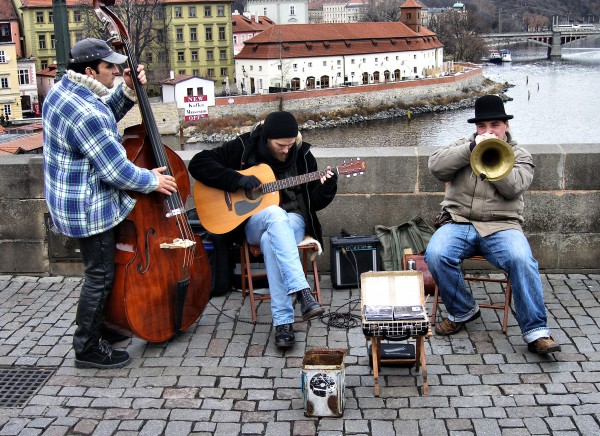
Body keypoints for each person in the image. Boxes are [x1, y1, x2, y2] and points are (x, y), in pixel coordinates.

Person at [42, 38, 178, 369]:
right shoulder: (87, 112)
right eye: (110, 68)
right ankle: (87, 346)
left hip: (69, 200)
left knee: (102, 271)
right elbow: (116, 171)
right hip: (90, 209)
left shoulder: (62, 91)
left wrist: (128, 90)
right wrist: (154, 180)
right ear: (90, 70)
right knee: (100, 275)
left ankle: (102, 327)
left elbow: (101, 117)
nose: (117, 72)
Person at [424, 95, 561, 355]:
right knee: (436, 254)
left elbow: (514, 189)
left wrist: (494, 161)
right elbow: (436, 167)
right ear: (476, 128)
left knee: (522, 259)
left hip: (502, 225)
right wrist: (471, 150)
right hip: (459, 222)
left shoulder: (520, 155)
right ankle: (462, 310)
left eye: (494, 125)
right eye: (482, 126)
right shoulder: (463, 146)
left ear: (505, 126)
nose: (488, 131)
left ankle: (537, 333)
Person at [188, 111, 337, 348]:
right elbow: (198, 163)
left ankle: (283, 323)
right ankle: (302, 291)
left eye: (291, 144)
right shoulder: (244, 146)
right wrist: (236, 180)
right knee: (274, 215)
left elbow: (314, 203)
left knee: (271, 237)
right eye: (281, 145)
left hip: (294, 222)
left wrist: (328, 187)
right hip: (253, 223)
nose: (287, 150)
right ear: (267, 138)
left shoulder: (304, 156)